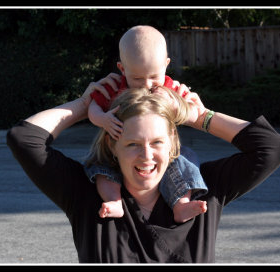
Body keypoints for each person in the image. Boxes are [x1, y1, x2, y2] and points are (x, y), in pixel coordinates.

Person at [7, 84, 280, 263]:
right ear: (112, 143)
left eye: (157, 142)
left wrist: (197, 116)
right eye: (132, 144)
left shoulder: (204, 189)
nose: (146, 156)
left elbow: (272, 147)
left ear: (171, 141)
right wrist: (87, 105)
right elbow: (24, 138)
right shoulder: (87, 193)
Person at [85, 25, 207, 223]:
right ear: (122, 69)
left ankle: (181, 204)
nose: (147, 85)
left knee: (186, 161)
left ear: (166, 65)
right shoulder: (114, 85)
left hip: (165, 151)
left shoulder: (171, 88)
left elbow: (194, 112)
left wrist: (176, 105)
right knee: (101, 168)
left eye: (153, 77)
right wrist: (102, 119)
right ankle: (113, 200)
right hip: (116, 147)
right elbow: (92, 107)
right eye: (137, 78)